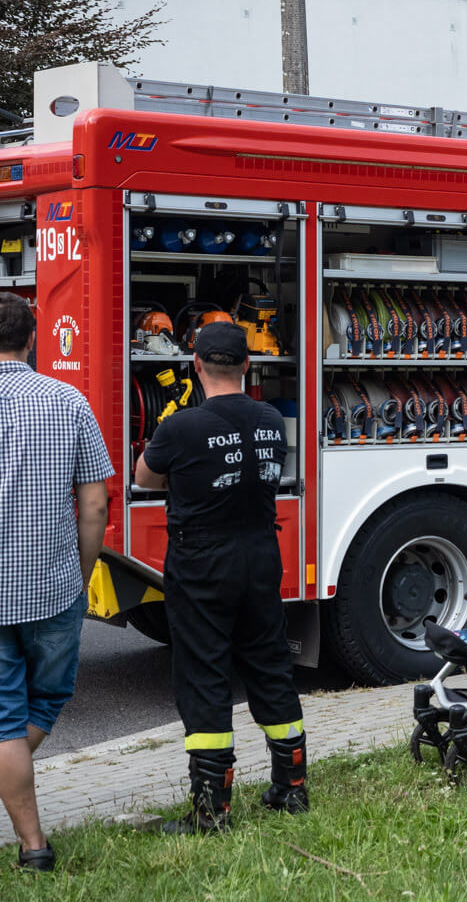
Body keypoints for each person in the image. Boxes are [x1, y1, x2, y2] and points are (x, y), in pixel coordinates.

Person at [134, 322, 306, 834]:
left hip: (203, 564)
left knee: (204, 674)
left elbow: (144, 478)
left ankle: (211, 811)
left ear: (196, 366)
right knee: (271, 666)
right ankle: (290, 788)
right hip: (260, 556)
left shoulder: (181, 426)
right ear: (248, 367)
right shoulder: (271, 419)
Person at [0, 293, 112, 871]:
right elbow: (95, 503)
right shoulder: (68, 401)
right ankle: (33, 845)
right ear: (33, 339)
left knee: (3, 721)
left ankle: (32, 840)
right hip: (51, 584)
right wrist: (84, 569)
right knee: (47, 697)